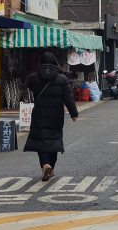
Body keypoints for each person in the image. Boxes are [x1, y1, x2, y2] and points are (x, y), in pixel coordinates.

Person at [24, 52, 79, 181]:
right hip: (56, 116)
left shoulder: (34, 77)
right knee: (53, 141)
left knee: (40, 141)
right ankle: (51, 167)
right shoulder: (62, 79)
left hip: (39, 115)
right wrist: (74, 113)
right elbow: (68, 98)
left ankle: (45, 164)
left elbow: (29, 87)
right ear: (55, 63)